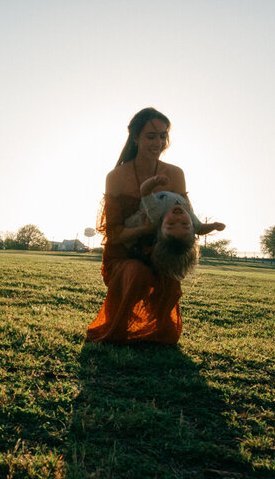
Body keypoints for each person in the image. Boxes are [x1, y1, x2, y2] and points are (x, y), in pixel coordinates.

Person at [86, 107, 219, 344]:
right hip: (123, 253)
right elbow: (114, 233)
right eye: (151, 136)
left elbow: (185, 213)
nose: (158, 142)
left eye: (163, 135)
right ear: (135, 137)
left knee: (168, 278)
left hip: (161, 252)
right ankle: (118, 330)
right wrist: (144, 230)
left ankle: (158, 331)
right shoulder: (115, 177)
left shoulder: (176, 174)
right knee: (137, 273)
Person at [123, 176, 226, 280]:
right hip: (173, 195)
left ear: (160, 230)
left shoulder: (156, 213)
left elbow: (144, 191)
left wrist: (154, 182)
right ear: (192, 228)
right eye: (184, 224)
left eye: (171, 224)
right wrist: (213, 226)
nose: (178, 218)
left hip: (147, 206)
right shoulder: (193, 221)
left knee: (134, 222)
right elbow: (201, 229)